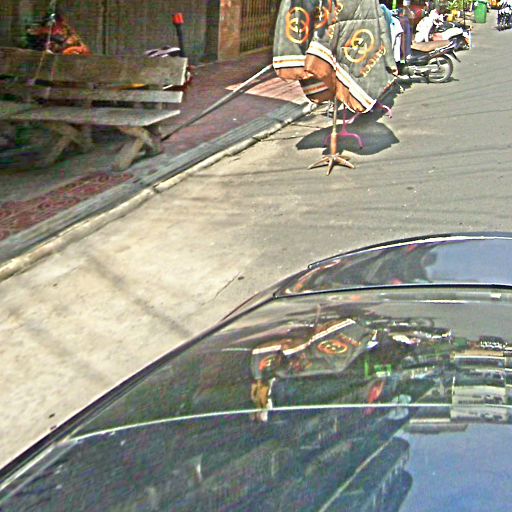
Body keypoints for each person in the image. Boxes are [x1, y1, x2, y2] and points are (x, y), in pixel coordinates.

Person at [25, 8, 91, 55]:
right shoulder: (50, 40)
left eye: (34, 28)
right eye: (33, 31)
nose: (35, 30)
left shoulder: (56, 21)